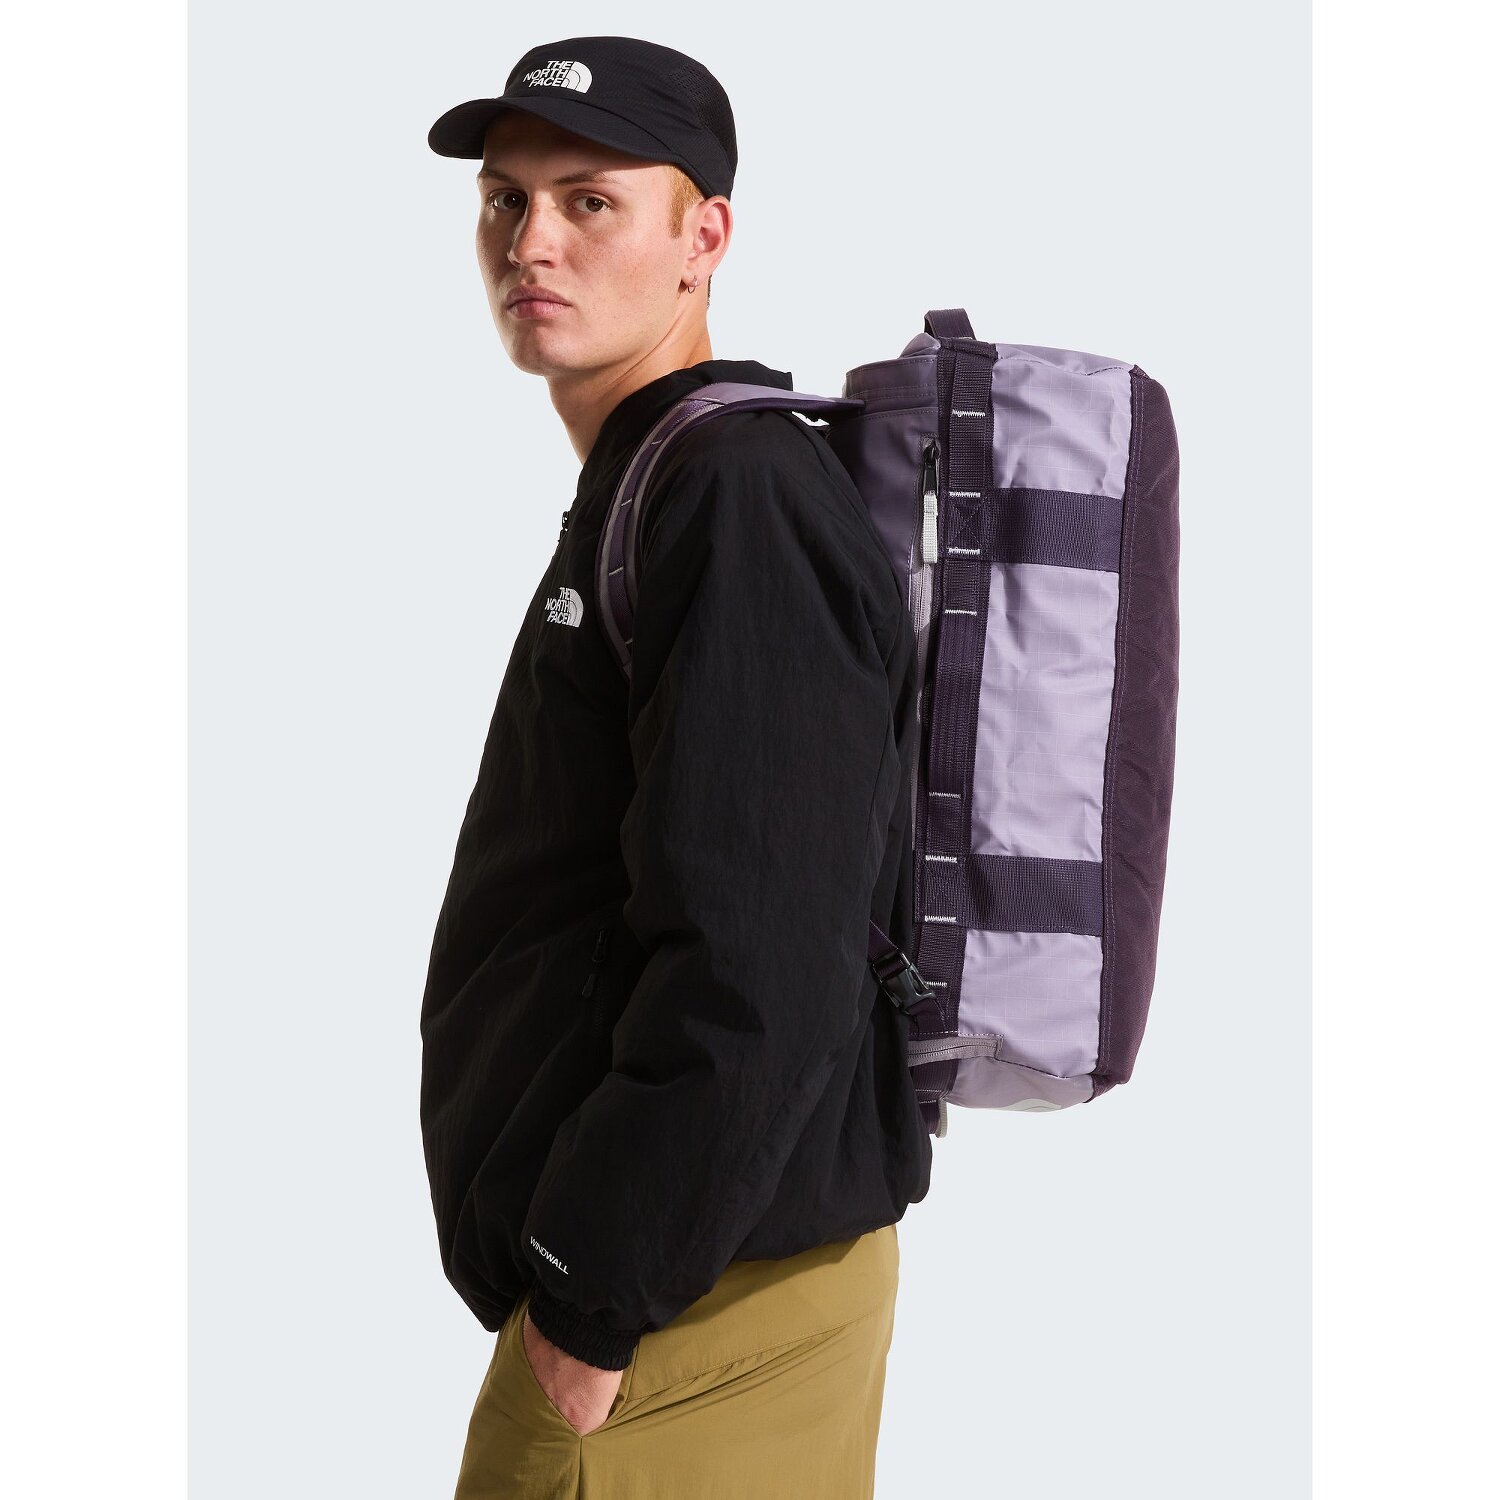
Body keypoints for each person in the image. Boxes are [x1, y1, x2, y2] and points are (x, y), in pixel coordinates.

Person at [420, 35, 931, 1498]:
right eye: (505, 200)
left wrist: (589, 1301)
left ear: (704, 237)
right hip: (693, 1283)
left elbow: (763, 948)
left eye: (591, 201)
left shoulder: (737, 495)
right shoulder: (660, 477)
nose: (531, 241)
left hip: (688, 1313)